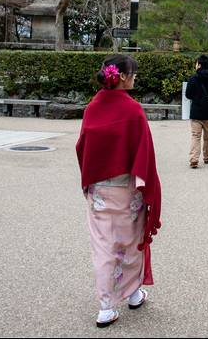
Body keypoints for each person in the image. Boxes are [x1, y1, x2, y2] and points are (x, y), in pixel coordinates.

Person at [76, 55, 162, 328]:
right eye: (133, 73)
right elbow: (143, 152)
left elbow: (82, 147)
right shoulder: (133, 109)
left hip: (100, 190)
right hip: (127, 190)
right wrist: (145, 185)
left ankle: (106, 307)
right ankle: (133, 294)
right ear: (123, 76)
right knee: (131, 244)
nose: (135, 77)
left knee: (103, 247)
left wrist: (90, 180)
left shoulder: (93, 107)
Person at [184, 55, 208, 169]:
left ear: (199, 65)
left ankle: (194, 159)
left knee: (196, 136)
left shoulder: (193, 79)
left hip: (196, 112)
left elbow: (188, 95)